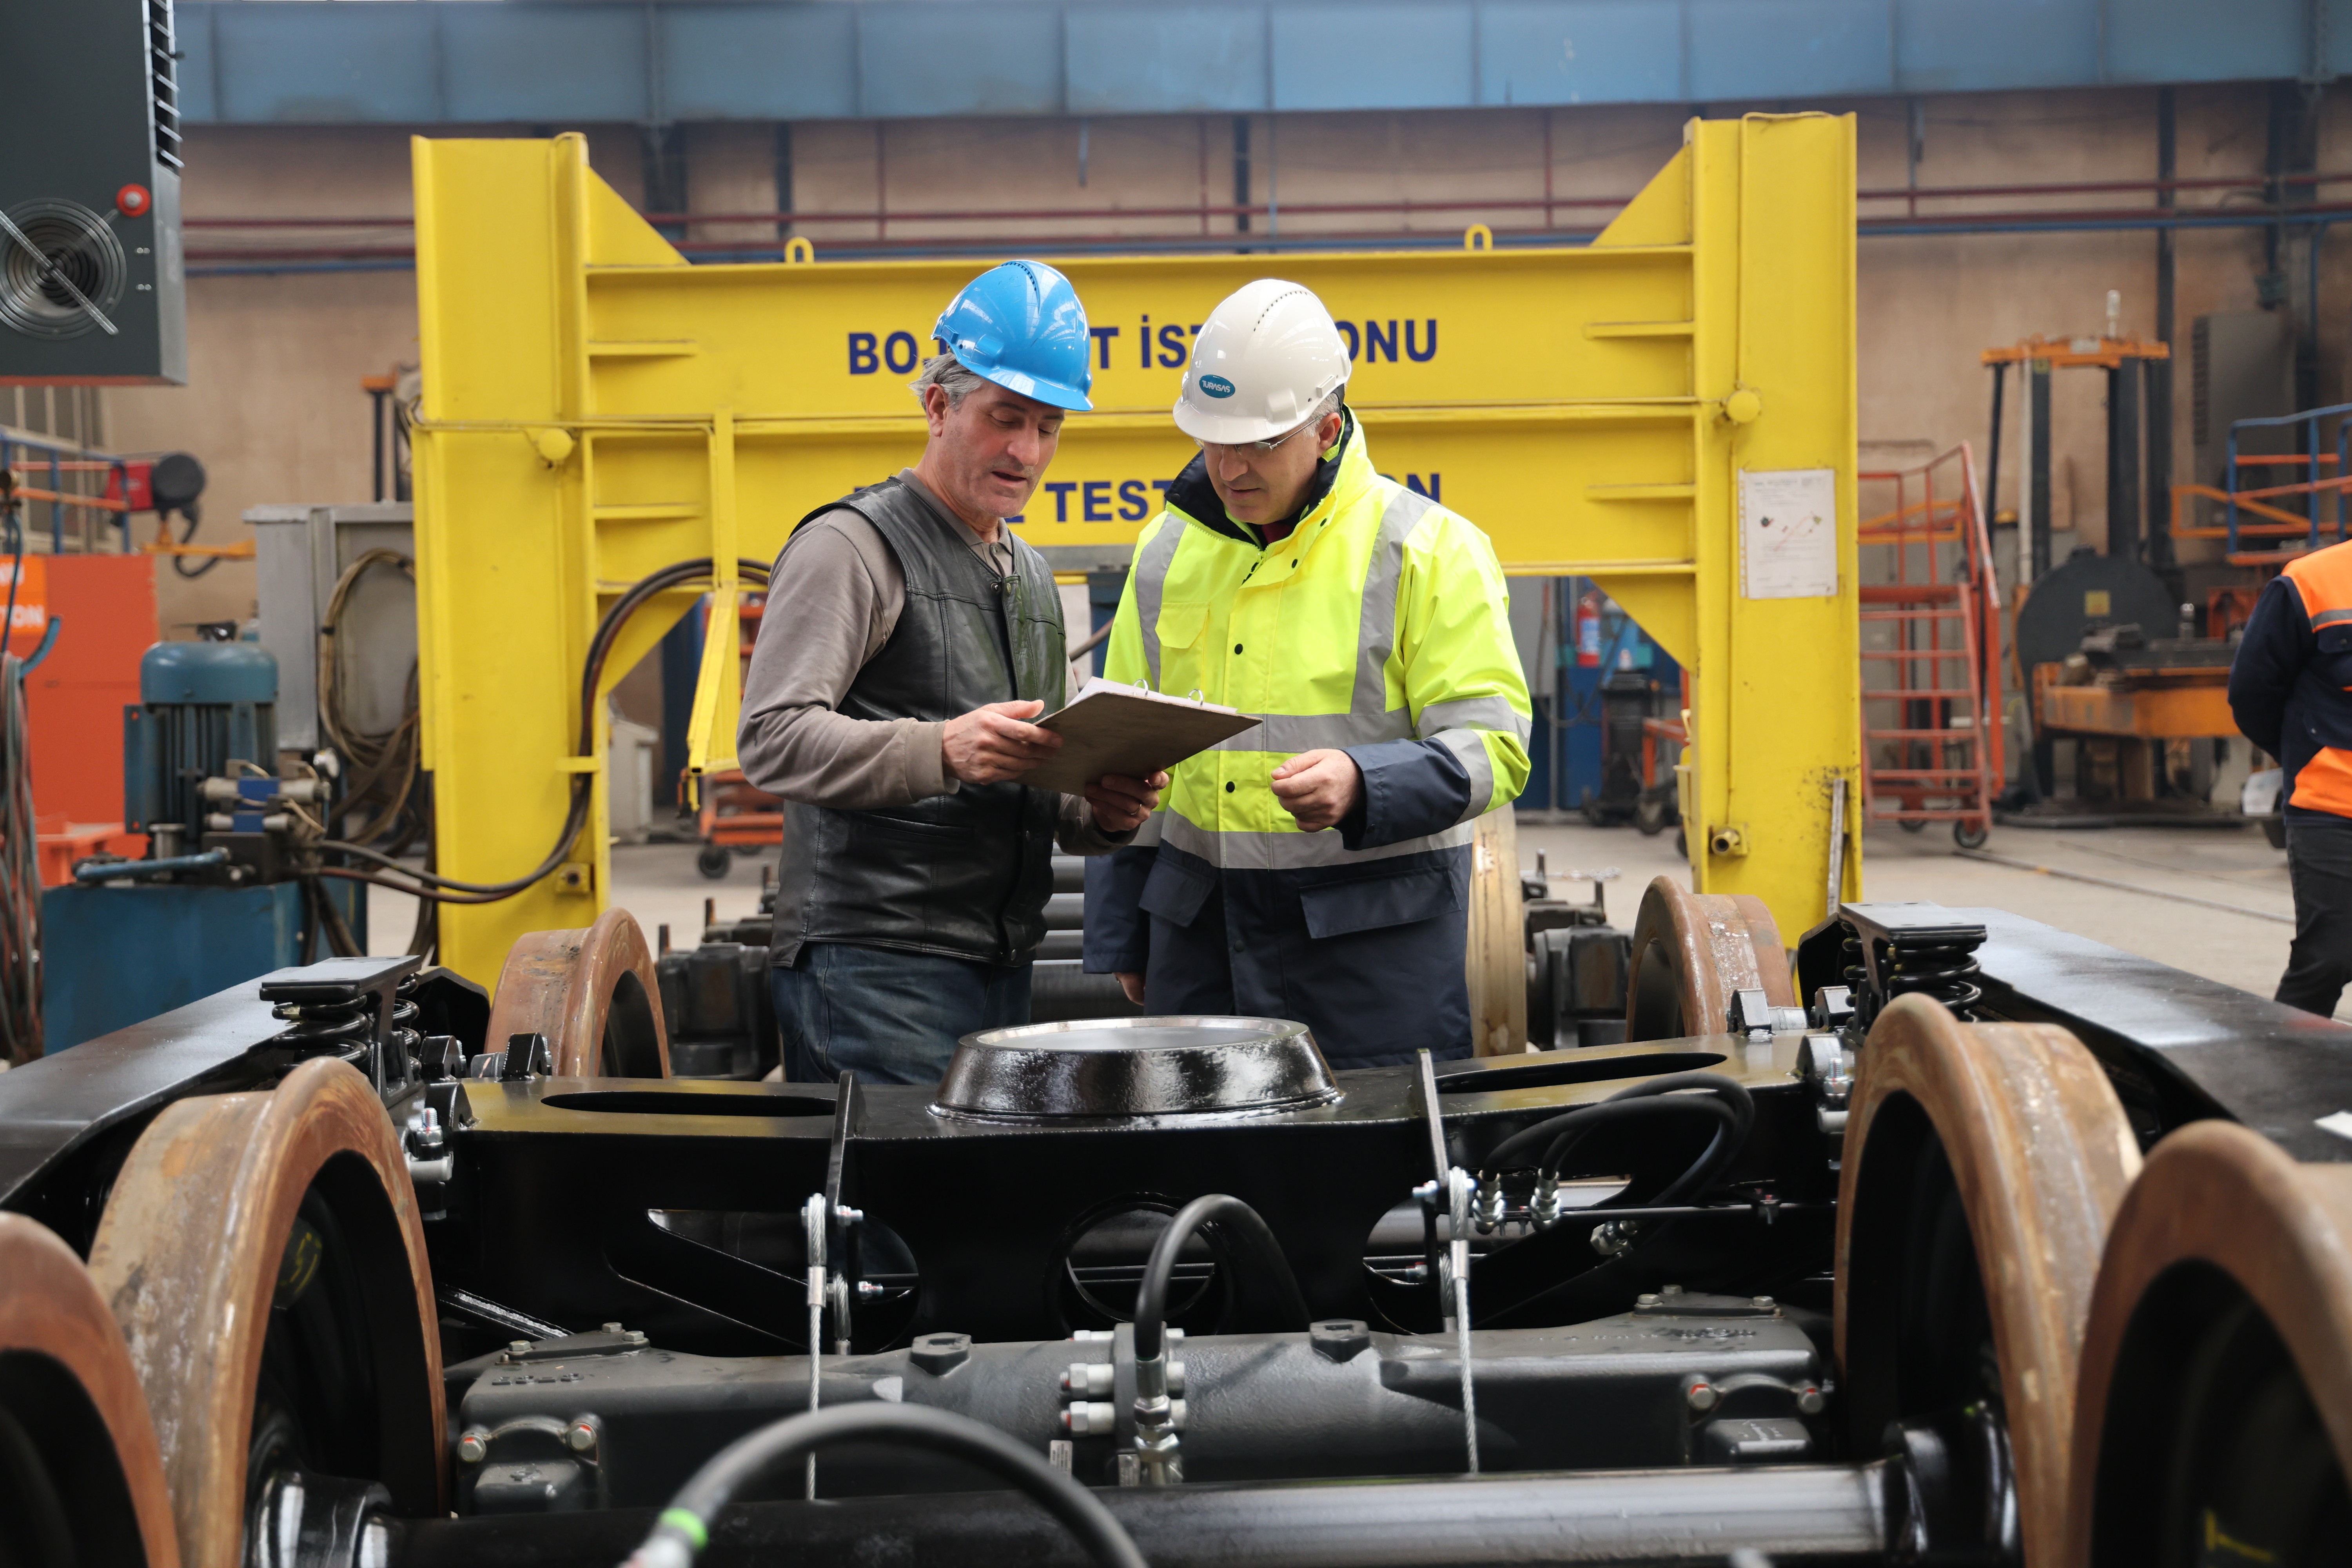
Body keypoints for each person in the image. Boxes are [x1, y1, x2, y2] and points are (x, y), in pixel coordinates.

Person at [1082, 278, 1532, 1067]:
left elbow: (1494, 748)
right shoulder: (1166, 552)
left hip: (1367, 956)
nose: (1227, 467)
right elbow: (1126, 747)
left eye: (1259, 443)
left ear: (1327, 428)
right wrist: (1125, 929)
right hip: (1203, 945)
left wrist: (1366, 782)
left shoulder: (1428, 548)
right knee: (1199, 1183)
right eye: (1212, 439)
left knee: (1376, 1179)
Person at [739, 260, 1164, 1084]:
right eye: (1005, 417)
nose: (1026, 450)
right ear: (938, 404)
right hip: (872, 970)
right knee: (898, 1213)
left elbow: (1036, 786)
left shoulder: (1032, 578)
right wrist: (940, 749)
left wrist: (1101, 812)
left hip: (996, 965)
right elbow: (771, 739)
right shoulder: (853, 549)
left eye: (1048, 426)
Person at [2230, 539, 2352, 1018]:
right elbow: (2251, 692)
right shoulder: (2310, 582)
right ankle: (2282, 1076)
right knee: (2329, 957)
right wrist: (2306, 754)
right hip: (2331, 807)